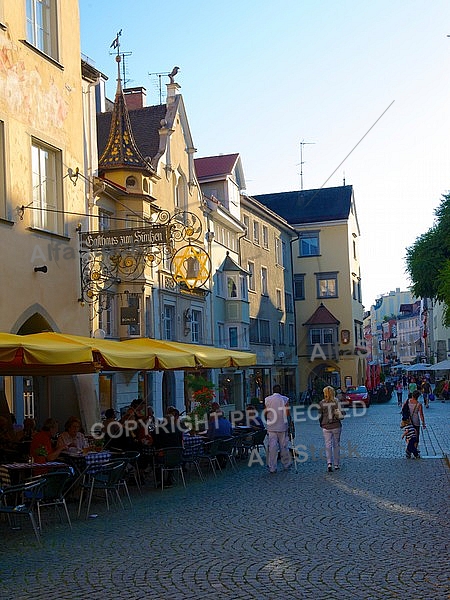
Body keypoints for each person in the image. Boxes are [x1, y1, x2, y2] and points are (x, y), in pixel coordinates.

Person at [264, 384, 292, 474]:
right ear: (280, 390)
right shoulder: (285, 399)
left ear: (273, 390)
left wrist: (268, 419)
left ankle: (272, 467)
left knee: (272, 446)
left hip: (271, 426)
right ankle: (286, 464)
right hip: (282, 425)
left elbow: (265, 411)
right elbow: (287, 413)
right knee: (283, 446)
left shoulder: (267, 399)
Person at [318, 386, 344, 472]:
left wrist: (321, 423)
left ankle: (329, 463)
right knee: (336, 445)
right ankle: (336, 464)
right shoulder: (337, 402)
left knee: (328, 445)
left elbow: (320, 415)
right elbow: (343, 412)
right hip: (336, 425)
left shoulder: (322, 403)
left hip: (326, 426)